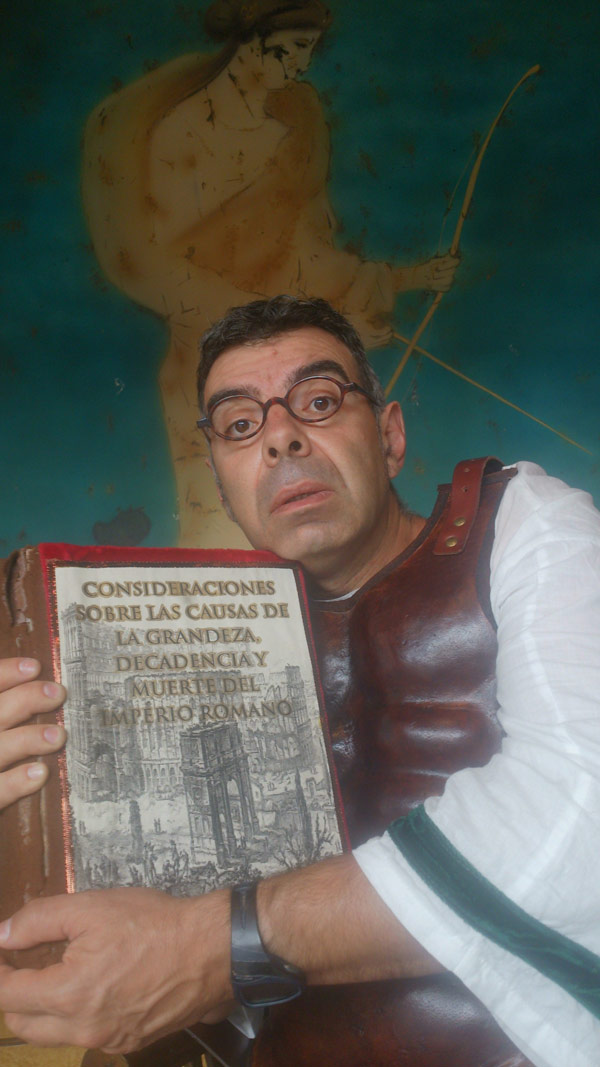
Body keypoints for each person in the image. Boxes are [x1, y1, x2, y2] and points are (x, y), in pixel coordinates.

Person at [0, 296, 599, 1067]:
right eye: (240, 423)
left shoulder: (524, 524)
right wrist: (27, 815)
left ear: (389, 436)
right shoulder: (181, 653)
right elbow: (115, 941)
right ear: (222, 486)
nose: (281, 435)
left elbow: (582, 810)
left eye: (318, 401)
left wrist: (213, 943)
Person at [82, 0, 458, 547]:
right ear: (252, 43)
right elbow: (167, 269)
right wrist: (328, 332)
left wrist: (402, 280)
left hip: (284, 364)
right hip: (204, 368)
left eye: (310, 50)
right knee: (228, 543)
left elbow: (305, 256)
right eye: (294, 48)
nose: (302, 65)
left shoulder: (292, 125)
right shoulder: (185, 136)